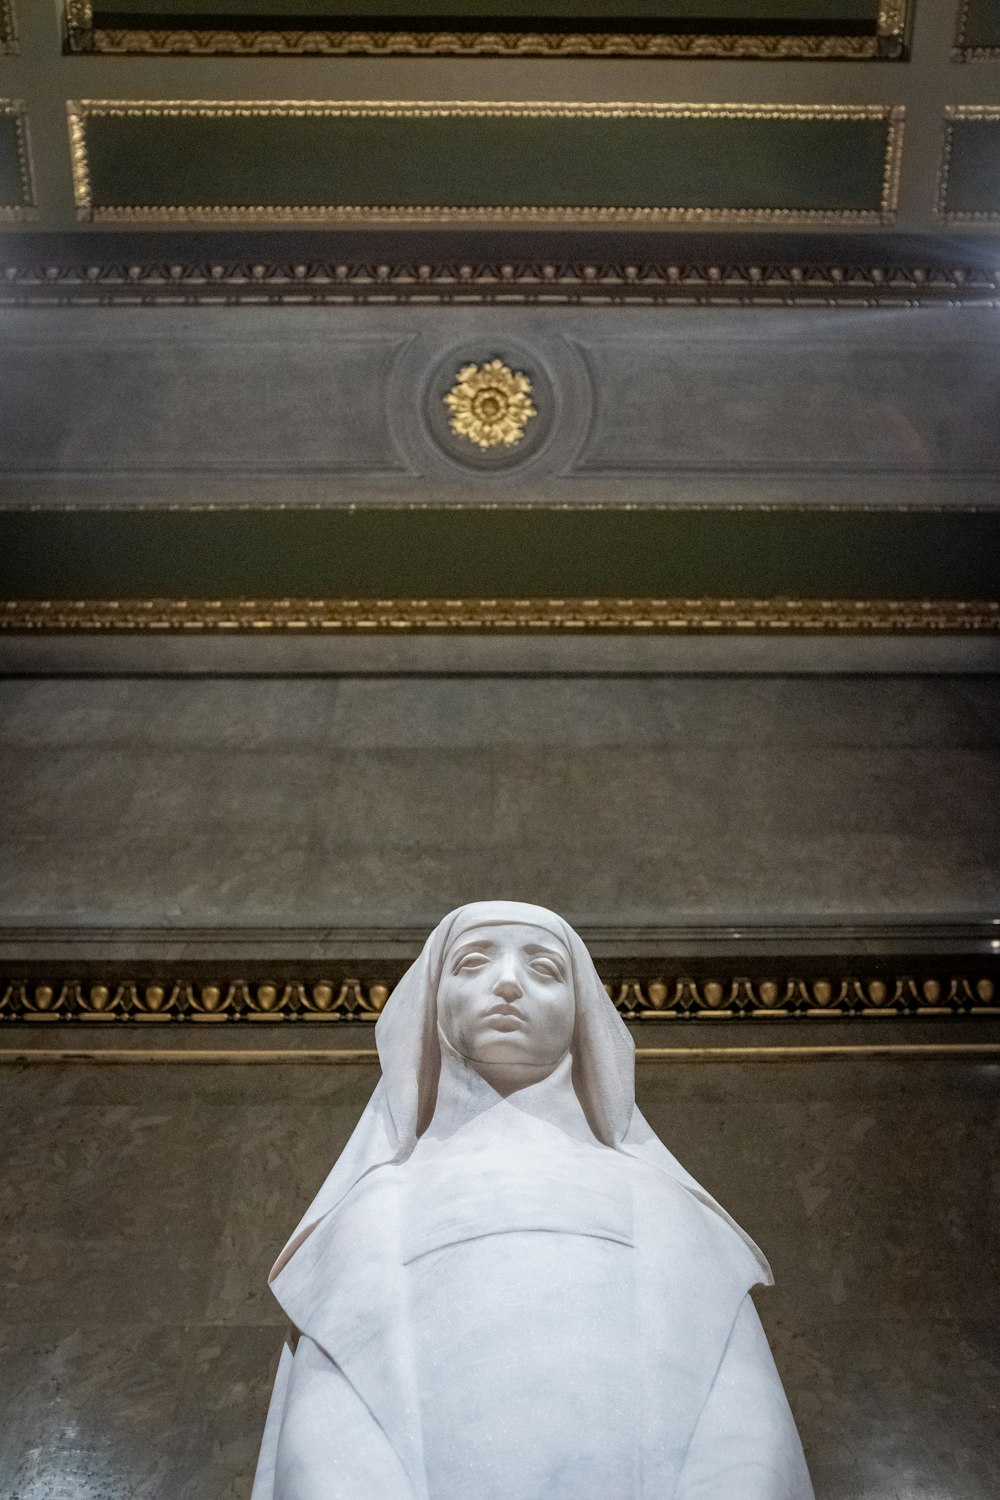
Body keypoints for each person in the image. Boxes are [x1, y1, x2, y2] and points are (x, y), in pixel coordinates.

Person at [252, 901, 814, 1500]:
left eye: (545, 969)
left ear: (581, 1013)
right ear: (431, 1001)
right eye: (472, 962)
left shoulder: (658, 1199)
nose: (509, 983)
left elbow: (733, 1411)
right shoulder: (376, 1205)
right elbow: (335, 1413)